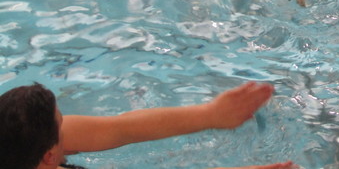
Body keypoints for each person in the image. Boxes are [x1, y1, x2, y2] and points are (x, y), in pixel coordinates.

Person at [0, 81, 296, 169]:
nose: (67, 126)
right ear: (49, 156)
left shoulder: (15, 137)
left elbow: (121, 128)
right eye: (61, 124)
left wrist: (211, 114)